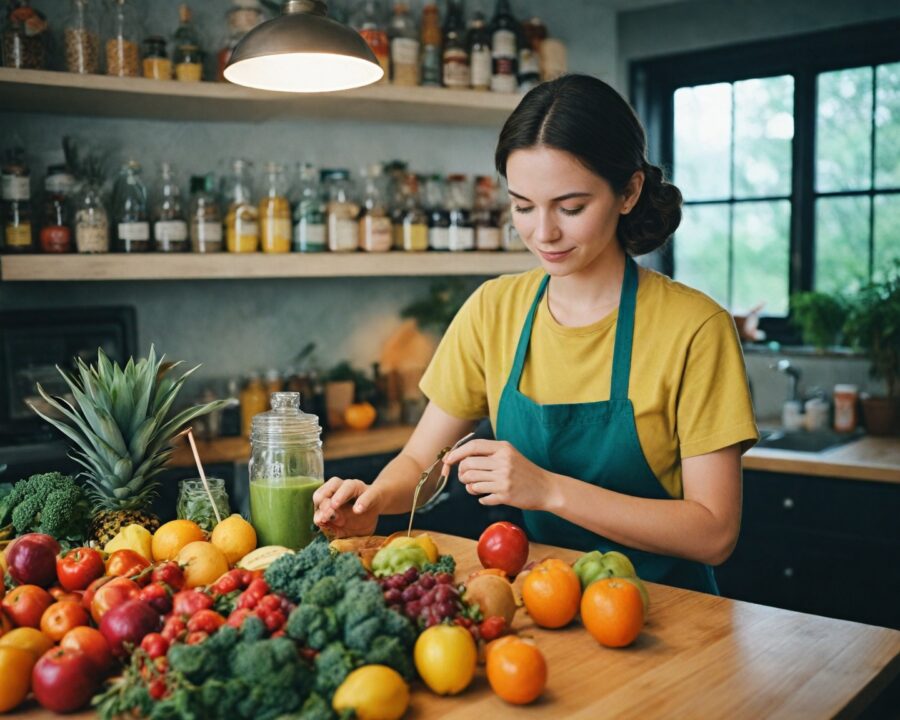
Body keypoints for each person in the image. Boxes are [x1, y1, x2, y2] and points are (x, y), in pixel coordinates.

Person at [313, 74, 758, 593]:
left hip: (674, 617)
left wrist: (548, 490)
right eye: (523, 206)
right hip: (540, 600)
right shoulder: (493, 309)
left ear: (629, 192)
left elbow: (714, 532)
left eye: (570, 208)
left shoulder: (695, 328)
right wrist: (372, 502)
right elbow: (420, 461)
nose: (542, 233)